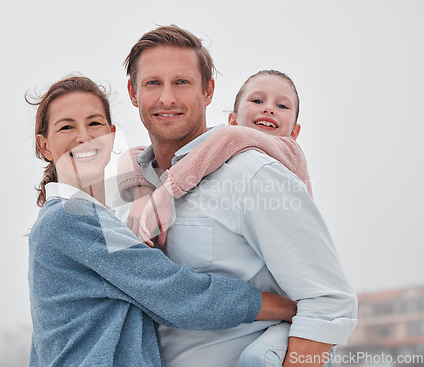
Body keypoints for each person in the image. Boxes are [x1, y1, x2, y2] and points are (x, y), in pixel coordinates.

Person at [122, 25, 358, 367]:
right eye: (153, 83)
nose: (167, 98)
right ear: (133, 92)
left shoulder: (253, 174)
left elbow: (329, 304)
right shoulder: (130, 184)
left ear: (208, 90)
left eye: (182, 82)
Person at [27, 76, 297, 366]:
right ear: (44, 146)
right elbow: (175, 293)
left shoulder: (85, 217)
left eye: (94, 123)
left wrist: (144, 190)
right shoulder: (70, 218)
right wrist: (289, 307)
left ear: (111, 135)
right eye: (67, 126)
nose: (84, 136)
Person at [117, 69, 313, 366]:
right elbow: (132, 154)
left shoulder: (288, 153)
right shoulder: (226, 159)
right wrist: (142, 190)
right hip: (265, 312)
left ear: (295, 132)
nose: (269, 108)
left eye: (282, 106)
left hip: (291, 314)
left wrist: (166, 191)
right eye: (257, 100)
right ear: (233, 117)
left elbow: (231, 139)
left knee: (258, 359)